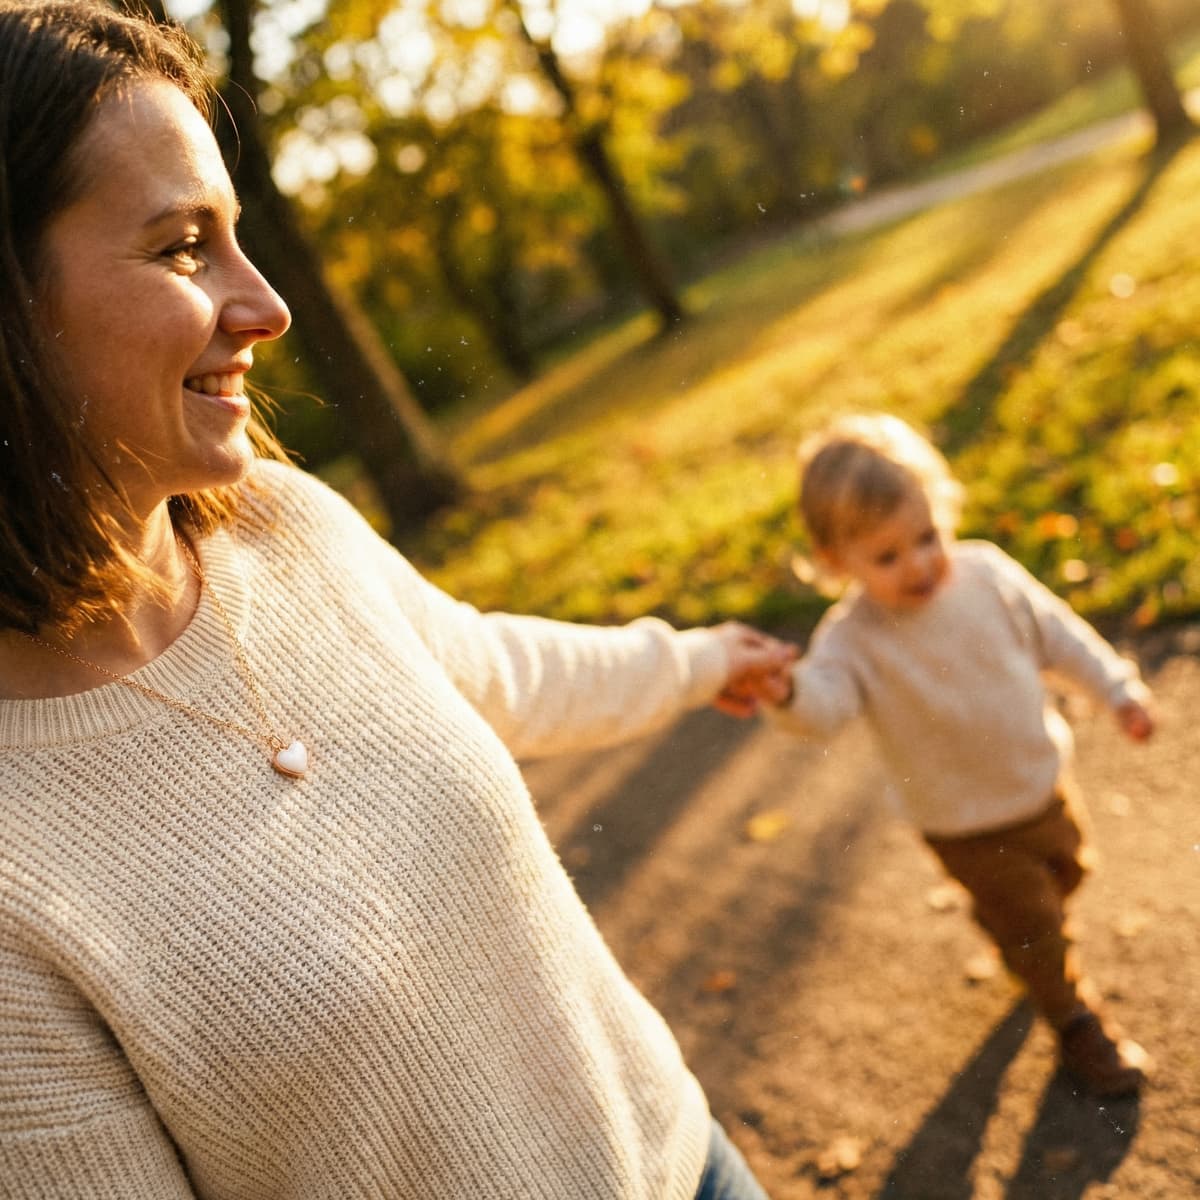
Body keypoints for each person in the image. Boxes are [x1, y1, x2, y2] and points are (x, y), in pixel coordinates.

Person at [0, 3, 791, 1195]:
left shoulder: (288, 529)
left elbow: (487, 666)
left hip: (690, 1164)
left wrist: (690, 661)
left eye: (236, 236)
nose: (264, 306)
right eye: (181, 248)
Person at [760, 412, 1154, 1098]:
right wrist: (786, 689)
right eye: (887, 557)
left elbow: (1059, 636)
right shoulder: (853, 637)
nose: (918, 564)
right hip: (962, 823)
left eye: (926, 536)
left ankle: (1018, 937)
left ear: (943, 511)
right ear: (835, 562)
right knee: (1035, 924)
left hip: (1041, 782)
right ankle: (1075, 1022)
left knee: (1067, 873)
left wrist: (1116, 690)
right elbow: (822, 708)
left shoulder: (986, 576)